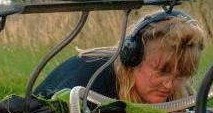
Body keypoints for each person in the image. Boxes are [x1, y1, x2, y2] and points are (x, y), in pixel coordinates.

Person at [34, 10, 204, 105]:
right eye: (161, 71)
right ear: (132, 58)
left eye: (180, 75)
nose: (169, 85)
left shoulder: (182, 97)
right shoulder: (90, 81)